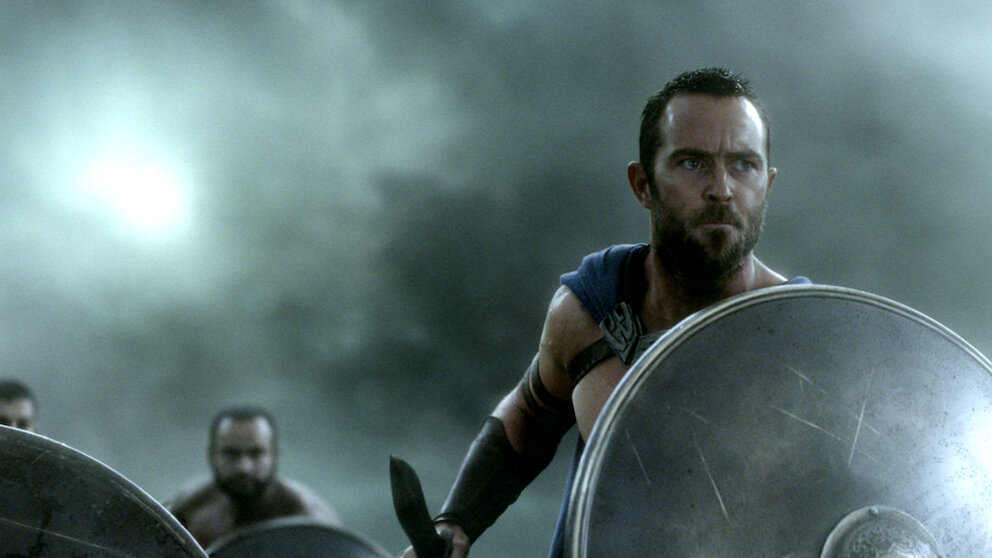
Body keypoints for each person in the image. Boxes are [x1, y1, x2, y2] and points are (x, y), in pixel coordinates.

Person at [402, 68, 809, 558]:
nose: (721, 189)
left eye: (744, 165)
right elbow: (530, 415)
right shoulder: (593, 309)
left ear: (768, 183)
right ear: (643, 185)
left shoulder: (807, 338)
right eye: (692, 163)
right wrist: (457, 522)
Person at [165, 405, 340, 549]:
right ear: (212, 454)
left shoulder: (308, 517)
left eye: (256, 454)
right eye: (231, 454)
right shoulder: (188, 508)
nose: (244, 468)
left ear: (275, 454)